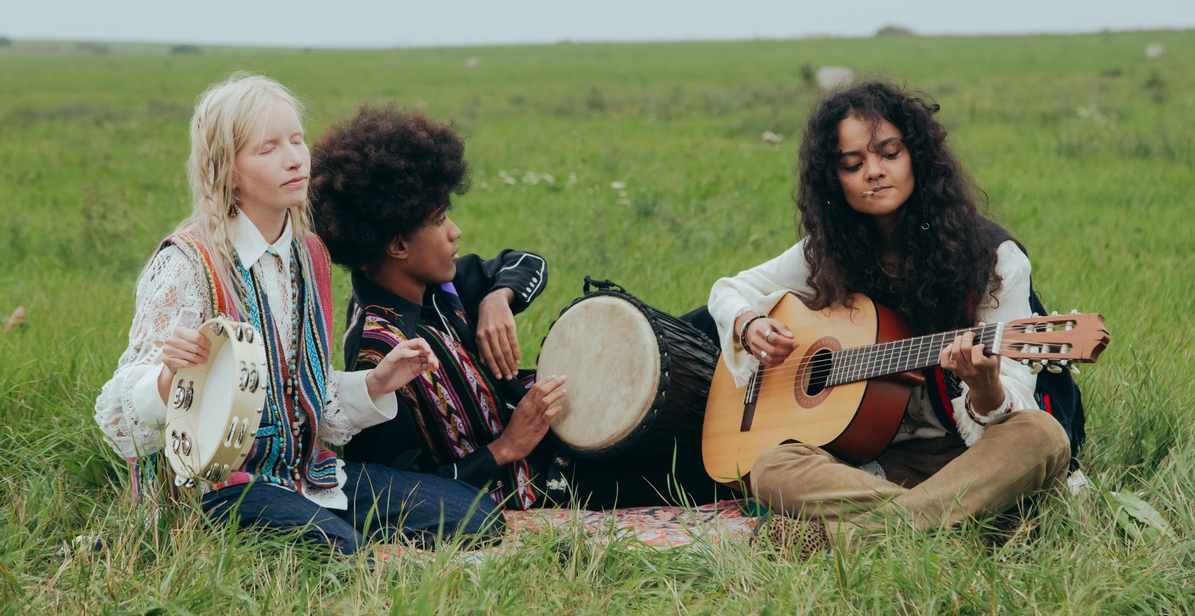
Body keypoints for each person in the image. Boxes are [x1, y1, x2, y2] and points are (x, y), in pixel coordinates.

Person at [93, 73, 503, 556]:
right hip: (214, 490)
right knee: (342, 553)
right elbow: (118, 418)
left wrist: (376, 383)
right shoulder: (186, 262)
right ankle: (304, 542)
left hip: (304, 475)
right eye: (267, 149)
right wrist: (167, 379)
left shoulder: (310, 256)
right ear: (226, 170)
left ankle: (324, 531)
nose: (294, 158)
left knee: (474, 516)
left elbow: (307, 398)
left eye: (296, 139)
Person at [707, 80, 1072, 555]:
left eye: (889, 154)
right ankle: (956, 530)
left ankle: (855, 536)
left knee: (1042, 435)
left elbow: (1016, 399)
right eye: (853, 164)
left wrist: (985, 388)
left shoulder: (992, 258)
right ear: (833, 179)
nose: (873, 173)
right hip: (874, 464)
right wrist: (749, 325)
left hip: (969, 456)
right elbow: (729, 290)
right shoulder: (827, 252)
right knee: (772, 465)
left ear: (917, 156)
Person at [312, 105, 720, 510]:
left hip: (554, 435)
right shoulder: (379, 354)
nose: (455, 231)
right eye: (438, 220)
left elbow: (527, 263)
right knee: (709, 467)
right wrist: (505, 448)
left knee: (711, 321)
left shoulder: (442, 287)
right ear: (397, 245)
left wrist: (497, 298)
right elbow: (404, 492)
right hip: (544, 483)